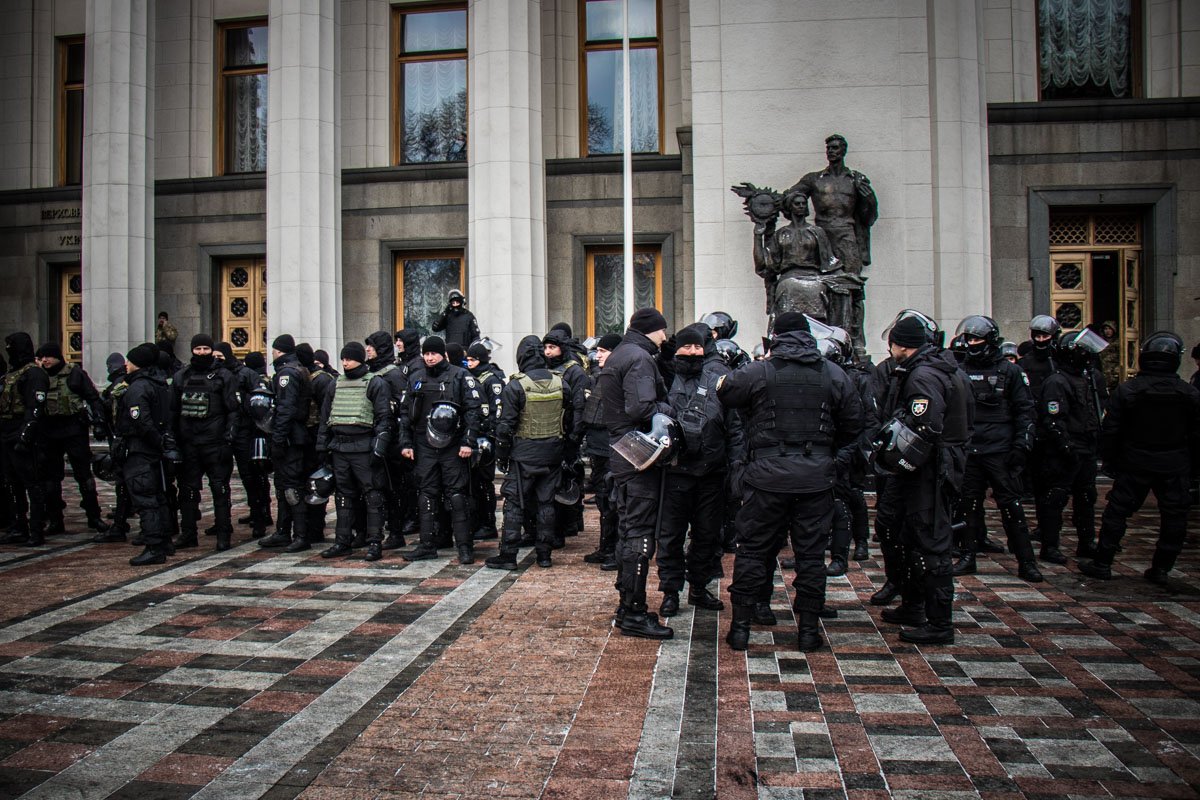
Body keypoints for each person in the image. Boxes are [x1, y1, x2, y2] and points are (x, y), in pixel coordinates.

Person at [717, 312, 862, 652]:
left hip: (766, 477)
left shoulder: (760, 371)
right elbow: (854, 424)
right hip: (815, 479)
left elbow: (726, 393)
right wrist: (827, 458)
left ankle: (740, 628)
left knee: (752, 551)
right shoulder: (833, 373)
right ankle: (808, 631)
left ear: (775, 337)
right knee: (811, 557)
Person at [870, 313, 972, 645]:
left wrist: (896, 456)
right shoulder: (943, 369)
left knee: (931, 541)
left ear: (901, 344)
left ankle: (940, 622)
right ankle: (914, 605)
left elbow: (924, 427)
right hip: (931, 467)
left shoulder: (924, 376)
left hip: (927, 471)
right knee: (904, 533)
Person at [1077, 332, 1200, 582]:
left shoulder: (1129, 390)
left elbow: (1111, 430)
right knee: (1174, 517)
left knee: (1117, 514)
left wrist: (1110, 461)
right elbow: (1197, 435)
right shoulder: (1188, 393)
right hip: (1172, 463)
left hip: (1136, 462)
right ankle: (1162, 568)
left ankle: (1103, 563)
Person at [598, 308, 675, 640]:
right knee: (640, 536)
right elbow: (641, 408)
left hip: (621, 451)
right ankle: (633, 611)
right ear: (652, 330)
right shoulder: (640, 358)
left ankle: (627, 606)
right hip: (636, 454)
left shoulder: (620, 355)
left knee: (630, 528)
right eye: (663, 331)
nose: (666, 337)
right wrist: (669, 409)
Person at [657, 325, 744, 616]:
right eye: (687, 347)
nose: (694, 352)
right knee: (670, 536)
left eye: (698, 347)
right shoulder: (665, 378)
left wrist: (735, 466)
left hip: (712, 472)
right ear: (677, 349)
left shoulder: (719, 380)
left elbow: (734, 428)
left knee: (707, 535)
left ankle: (698, 586)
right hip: (675, 473)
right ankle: (670, 591)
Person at [950, 317, 1042, 583]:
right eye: (968, 339)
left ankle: (1026, 561)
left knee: (1011, 506)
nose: (971, 344)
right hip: (970, 449)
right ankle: (968, 554)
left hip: (1000, 451)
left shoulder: (1010, 371)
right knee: (968, 506)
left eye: (976, 339)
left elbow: (1025, 411)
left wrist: (1021, 445)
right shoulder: (960, 369)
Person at [485, 336, 577, 570]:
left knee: (514, 503)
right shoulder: (561, 383)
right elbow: (569, 420)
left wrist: (502, 457)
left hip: (523, 454)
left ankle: (508, 555)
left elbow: (505, 426)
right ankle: (544, 555)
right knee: (547, 503)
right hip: (552, 452)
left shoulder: (515, 385)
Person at [397, 336, 483, 564]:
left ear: (443, 354)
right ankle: (427, 545)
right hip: (424, 445)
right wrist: (405, 443)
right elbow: (405, 414)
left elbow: (473, 411)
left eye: (433, 353)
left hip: (454, 446)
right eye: (426, 354)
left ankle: (465, 546)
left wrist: (468, 442)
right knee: (426, 494)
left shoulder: (460, 375)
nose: (429, 358)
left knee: (456, 496)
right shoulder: (416, 378)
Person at [316, 341, 395, 561]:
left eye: (349, 358)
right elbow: (325, 418)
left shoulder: (375, 383)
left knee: (373, 496)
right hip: (340, 447)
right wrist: (322, 446)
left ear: (360, 359)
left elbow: (383, 418)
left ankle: (374, 542)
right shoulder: (335, 385)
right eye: (342, 359)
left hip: (363, 447)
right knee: (343, 496)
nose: (345, 362)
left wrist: (379, 447)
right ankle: (343, 541)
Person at [1034, 329, 1105, 563]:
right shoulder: (1057, 381)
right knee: (1055, 498)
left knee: (1086, 497)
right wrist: (1066, 446)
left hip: (1085, 448)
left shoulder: (1088, 378)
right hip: (1064, 451)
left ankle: (1086, 543)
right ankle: (1050, 545)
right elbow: (1053, 419)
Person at [172, 334, 239, 551]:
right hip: (189, 443)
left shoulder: (223, 376)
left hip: (215, 443)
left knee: (220, 490)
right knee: (188, 491)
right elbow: (173, 411)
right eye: (198, 349)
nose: (201, 352)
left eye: (205, 349)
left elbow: (233, 410)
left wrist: (228, 437)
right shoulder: (182, 376)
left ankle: (223, 533)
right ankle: (188, 533)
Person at [35, 342, 110, 535]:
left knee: (84, 476)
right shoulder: (39, 376)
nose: (45, 360)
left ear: (58, 356)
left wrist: (99, 422)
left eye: (48, 356)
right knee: (51, 479)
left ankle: (94, 517)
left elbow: (93, 397)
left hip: (74, 430)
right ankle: (55, 520)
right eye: (42, 357)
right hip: (49, 432)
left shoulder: (75, 374)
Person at [115, 342, 174, 565]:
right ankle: (164, 540)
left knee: (145, 498)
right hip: (153, 448)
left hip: (141, 449)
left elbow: (141, 421)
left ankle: (154, 545)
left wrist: (155, 441)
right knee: (158, 496)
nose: (125, 365)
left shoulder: (139, 387)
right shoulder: (158, 383)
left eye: (129, 361)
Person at [259, 335, 314, 552]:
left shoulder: (288, 373)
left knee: (291, 486)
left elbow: (286, 409)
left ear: (277, 351)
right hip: (292, 435)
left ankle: (300, 535)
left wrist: (279, 439)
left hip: (291, 436)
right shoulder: (296, 369)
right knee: (282, 486)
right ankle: (283, 531)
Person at [214, 342, 273, 538]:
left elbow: (260, 403)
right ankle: (221, 521)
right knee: (219, 479)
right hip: (219, 432)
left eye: (219, 356)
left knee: (250, 477)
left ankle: (258, 518)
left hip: (244, 431)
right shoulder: (211, 374)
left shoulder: (246, 374)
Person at [0, 333, 50, 545]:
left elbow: (35, 407)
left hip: (24, 434)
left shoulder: (34, 374)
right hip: (7, 433)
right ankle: (18, 525)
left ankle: (36, 529)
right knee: (12, 483)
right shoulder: (11, 374)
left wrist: (25, 435)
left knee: (32, 484)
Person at [363, 331, 410, 549]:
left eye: (371, 346)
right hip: (372, 439)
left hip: (391, 442)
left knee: (394, 489)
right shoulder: (369, 372)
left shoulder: (394, 374)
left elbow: (402, 408)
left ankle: (396, 531)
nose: (368, 349)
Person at [581, 333, 622, 569]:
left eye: (603, 352)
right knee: (604, 503)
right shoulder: (601, 376)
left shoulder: (618, 377)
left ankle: (614, 550)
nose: (597, 356)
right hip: (599, 448)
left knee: (613, 502)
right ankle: (606, 547)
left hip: (612, 449)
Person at [467, 340, 505, 540]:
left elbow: (497, 410)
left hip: (486, 439)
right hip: (473, 437)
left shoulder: (492, 380)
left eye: (472, 360)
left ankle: (488, 522)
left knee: (484, 482)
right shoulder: (470, 378)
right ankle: (477, 520)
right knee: (474, 483)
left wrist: (489, 431)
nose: (469, 363)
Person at [298, 343, 333, 544]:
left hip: (317, 437)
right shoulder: (302, 376)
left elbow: (326, 411)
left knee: (318, 483)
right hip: (304, 438)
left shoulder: (322, 380)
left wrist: (323, 441)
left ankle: (315, 528)